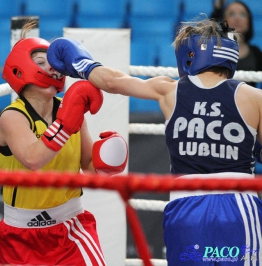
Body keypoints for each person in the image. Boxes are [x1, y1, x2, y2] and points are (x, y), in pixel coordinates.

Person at [46, 18, 262, 264]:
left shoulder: (169, 90)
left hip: (185, 208)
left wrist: (79, 60)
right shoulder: (255, 98)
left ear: (190, 53)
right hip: (237, 207)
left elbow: (112, 82)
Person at [0, 21, 128, 265]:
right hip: (20, 237)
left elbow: (88, 168)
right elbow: (33, 159)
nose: (52, 68)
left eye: (53, 61)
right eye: (41, 61)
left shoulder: (70, 111)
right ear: (20, 68)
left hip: (70, 229)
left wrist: (107, 160)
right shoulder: (12, 117)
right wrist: (66, 124)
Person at [211, 0, 262, 87]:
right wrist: (217, 10)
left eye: (242, 14)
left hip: (249, 99)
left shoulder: (256, 52)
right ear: (223, 20)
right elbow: (208, 32)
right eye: (231, 14)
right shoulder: (215, 49)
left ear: (249, 21)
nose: (237, 18)